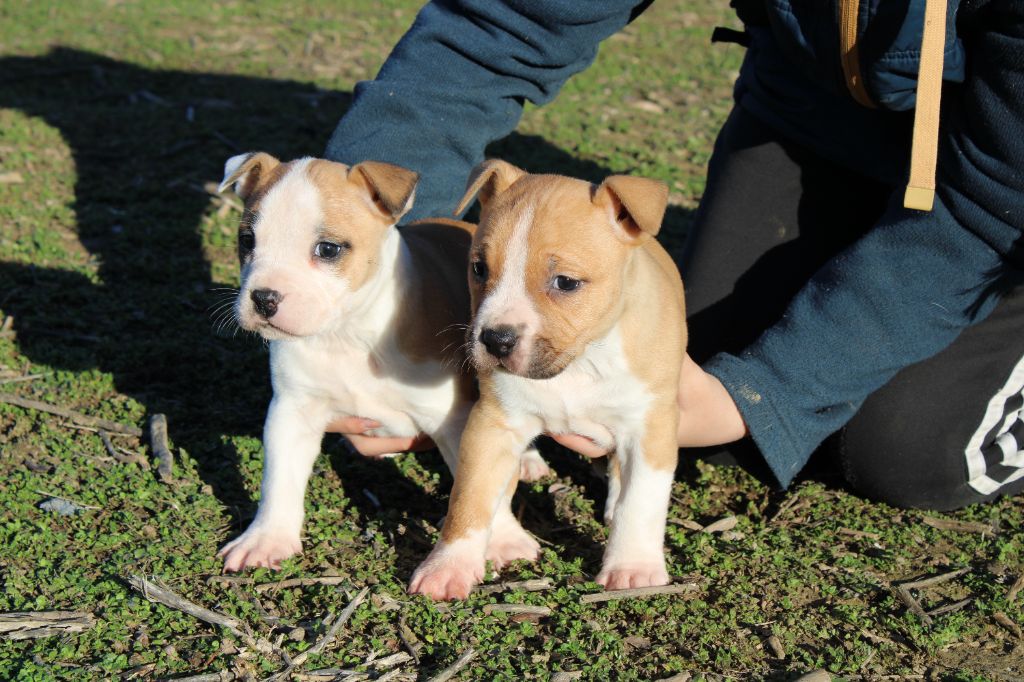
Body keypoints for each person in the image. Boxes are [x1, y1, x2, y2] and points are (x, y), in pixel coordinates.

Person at [321, 0, 1023, 511]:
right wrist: (368, 274)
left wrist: (771, 390)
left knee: (902, 448)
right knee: (699, 369)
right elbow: (502, 24)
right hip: (816, 123)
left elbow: (991, 203)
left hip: (1005, 199)